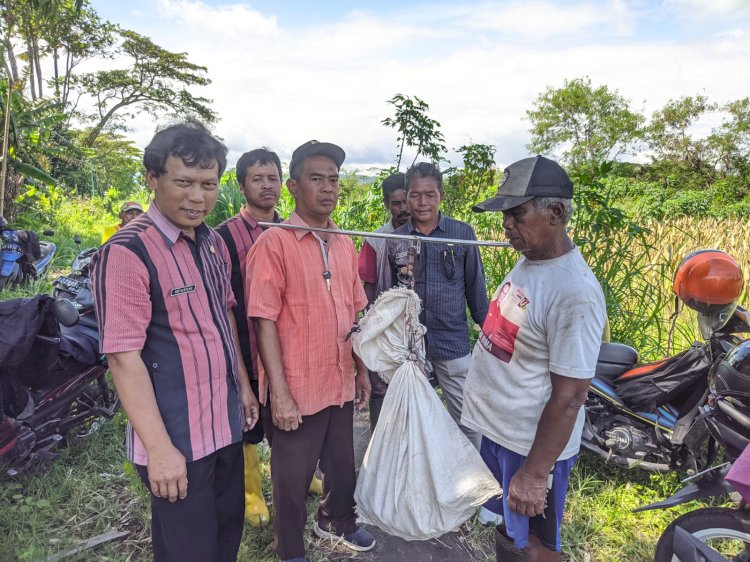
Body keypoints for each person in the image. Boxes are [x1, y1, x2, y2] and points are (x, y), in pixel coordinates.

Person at [91, 122, 259, 562]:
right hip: (176, 438)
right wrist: (160, 451)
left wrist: (242, 385)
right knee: (187, 551)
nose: (197, 197)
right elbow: (123, 358)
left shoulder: (212, 244)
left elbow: (224, 316)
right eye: (183, 182)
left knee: (226, 536)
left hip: (224, 425)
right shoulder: (128, 253)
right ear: (153, 178)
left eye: (208, 184)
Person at [461, 155, 606, 562]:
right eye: (505, 214)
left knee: (533, 544)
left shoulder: (572, 292)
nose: (507, 224)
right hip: (505, 434)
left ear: (556, 213)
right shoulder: (532, 261)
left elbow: (570, 396)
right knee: (511, 533)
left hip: (531, 447)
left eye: (518, 213)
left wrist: (536, 472)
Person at [247, 140, 376, 562]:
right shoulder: (274, 244)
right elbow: (263, 320)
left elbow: (356, 308)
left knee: (341, 462)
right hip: (298, 385)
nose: (327, 188)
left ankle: (337, 521)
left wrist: (360, 368)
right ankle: (291, 551)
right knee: (291, 476)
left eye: (333, 180)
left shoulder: (342, 241)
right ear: (293, 186)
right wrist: (279, 393)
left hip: (336, 376)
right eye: (316, 179)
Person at [387, 161, 488, 449]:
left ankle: (476, 485)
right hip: (409, 349)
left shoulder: (462, 233)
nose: (422, 202)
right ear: (406, 196)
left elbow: (476, 290)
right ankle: (421, 484)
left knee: (469, 422)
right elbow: (387, 296)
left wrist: (492, 334)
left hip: (452, 343)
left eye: (429, 194)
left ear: (440, 196)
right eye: (415, 195)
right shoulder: (394, 240)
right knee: (411, 422)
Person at [215, 148, 283, 526]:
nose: (266, 185)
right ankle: (252, 493)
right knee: (249, 422)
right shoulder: (222, 236)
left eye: (272, 177)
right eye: (257, 178)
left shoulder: (290, 227)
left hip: (285, 346)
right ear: (241, 186)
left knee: (289, 417)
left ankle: (302, 476)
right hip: (246, 344)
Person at [357, 171, 409, 430]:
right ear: (387, 204)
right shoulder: (375, 240)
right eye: (396, 203)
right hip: (385, 327)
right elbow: (366, 290)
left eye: (406, 200)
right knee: (382, 390)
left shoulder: (427, 235)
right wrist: (369, 329)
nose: (403, 208)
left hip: (415, 327)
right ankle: (379, 453)